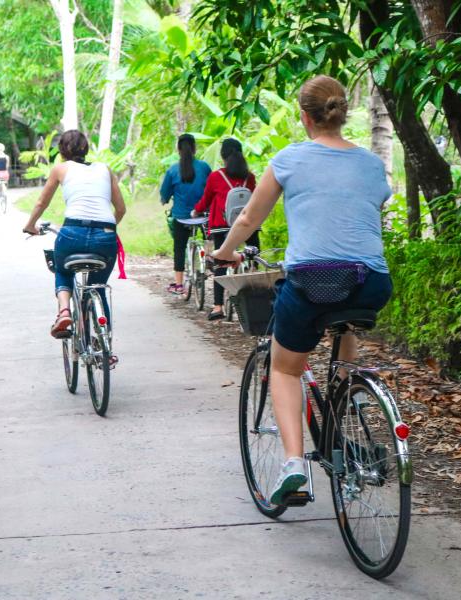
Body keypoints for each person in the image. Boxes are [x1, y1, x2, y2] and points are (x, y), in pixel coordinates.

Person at [211, 75, 393, 504]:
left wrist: (224, 254)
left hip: (312, 281)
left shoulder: (290, 159)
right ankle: (348, 393)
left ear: (304, 116)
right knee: (346, 317)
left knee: (285, 367)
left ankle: (294, 465)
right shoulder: (370, 162)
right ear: (341, 113)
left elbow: (247, 221)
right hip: (371, 282)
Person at [23, 130, 126, 338]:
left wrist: (30, 225)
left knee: (62, 270)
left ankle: (64, 312)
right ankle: (104, 338)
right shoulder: (105, 169)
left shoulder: (60, 169)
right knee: (97, 286)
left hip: (72, 233)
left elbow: (42, 202)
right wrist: (105, 229)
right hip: (105, 238)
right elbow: (121, 209)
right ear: (85, 148)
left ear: (62, 150)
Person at [193, 138, 259, 320]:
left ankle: (218, 307)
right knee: (255, 255)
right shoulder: (250, 177)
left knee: (221, 261)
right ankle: (256, 295)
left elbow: (205, 200)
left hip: (221, 226)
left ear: (223, 155)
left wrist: (196, 211)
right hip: (249, 225)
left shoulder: (216, 177)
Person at [159, 134, 212, 295]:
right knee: (209, 237)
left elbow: (164, 195)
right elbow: (211, 190)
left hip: (181, 217)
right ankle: (209, 258)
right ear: (194, 148)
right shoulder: (204, 167)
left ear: (178, 149)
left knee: (179, 248)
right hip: (203, 216)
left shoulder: (172, 170)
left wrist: (165, 199)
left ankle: (179, 284)